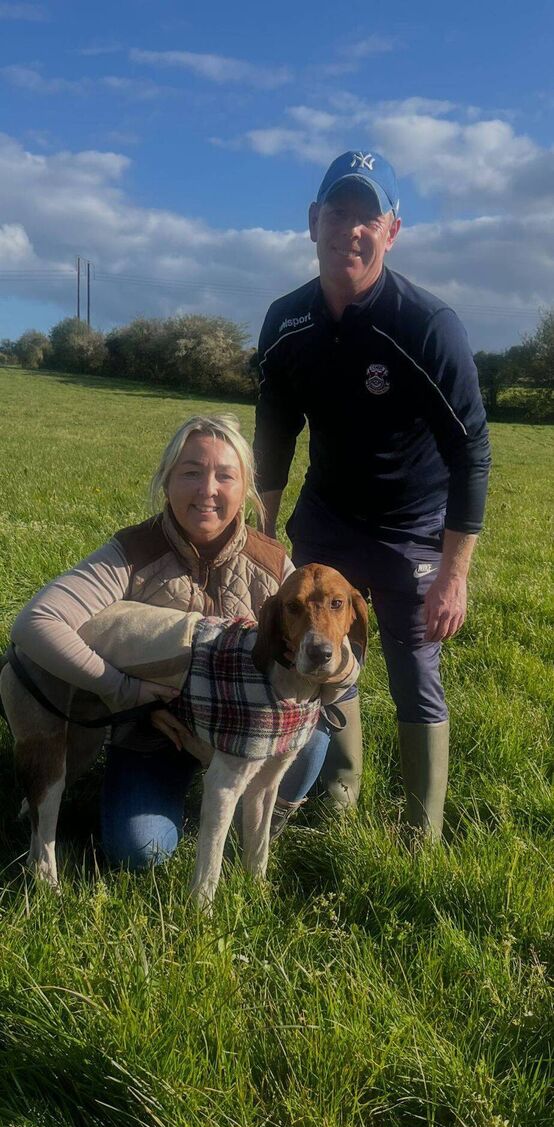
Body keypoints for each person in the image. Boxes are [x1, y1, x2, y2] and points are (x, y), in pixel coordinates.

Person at [254, 149, 492, 839]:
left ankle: (420, 831)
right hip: (329, 519)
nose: (350, 229)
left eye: (368, 216)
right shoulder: (286, 321)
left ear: (392, 231)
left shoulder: (426, 324)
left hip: (415, 524)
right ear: (313, 222)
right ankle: (339, 796)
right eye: (339, 212)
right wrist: (268, 531)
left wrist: (454, 573)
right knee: (329, 653)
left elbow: (471, 450)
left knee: (414, 669)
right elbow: (275, 427)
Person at [10, 414, 338, 867]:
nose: (208, 489)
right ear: (167, 482)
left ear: (245, 489)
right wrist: (124, 691)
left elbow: (323, 642)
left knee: (315, 740)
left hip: (241, 728)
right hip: (152, 731)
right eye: (190, 472)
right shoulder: (131, 553)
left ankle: (259, 818)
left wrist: (339, 670)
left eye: (225, 475)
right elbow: (34, 623)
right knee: (141, 850)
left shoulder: (275, 566)